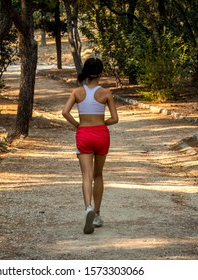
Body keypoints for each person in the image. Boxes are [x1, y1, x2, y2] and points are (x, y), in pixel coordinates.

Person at [62, 57, 119, 234]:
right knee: (98, 174)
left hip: (84, 134)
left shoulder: (77, 92)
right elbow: (115, 119)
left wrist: (77, 125)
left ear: (86, 71)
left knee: (86, 176)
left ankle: (88, 208)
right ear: (101, 73)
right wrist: (102, 123)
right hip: (101, 134)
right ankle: (97, 214)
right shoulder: (106, 93)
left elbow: (65, 112)